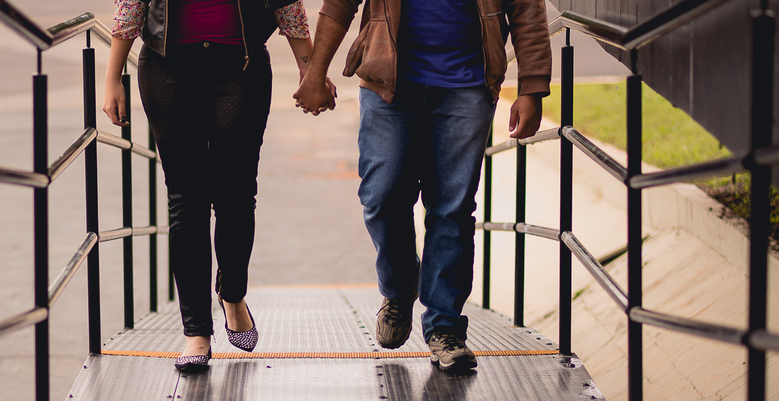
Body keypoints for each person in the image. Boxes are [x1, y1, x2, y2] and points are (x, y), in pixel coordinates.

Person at [293, 0, 551, 373]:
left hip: (467, 85)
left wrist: (533, 86)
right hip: (388, 83)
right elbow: (338, 5)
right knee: (381, 196)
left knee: (453, 209)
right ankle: (399, 289)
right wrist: (315, 73)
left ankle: (445, 328)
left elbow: (526, 9)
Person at [103, 0, 335, 372]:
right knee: (185, 199)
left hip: (240, 69)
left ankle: (233, 294)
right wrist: (113, 78)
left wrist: (310, 69)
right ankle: (196, 332)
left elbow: (287, 4)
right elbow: (132, 5)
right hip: (167, 71)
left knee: (237, 195)